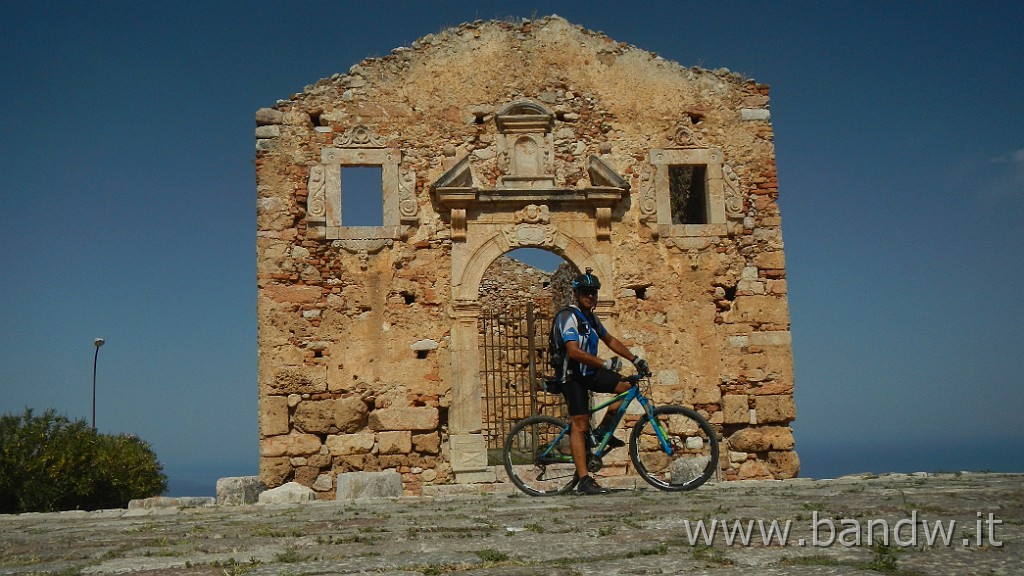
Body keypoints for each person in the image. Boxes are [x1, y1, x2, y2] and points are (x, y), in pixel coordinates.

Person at [554, 268, 650, 495]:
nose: (590, 296)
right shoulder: (569, 317)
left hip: (589, 373)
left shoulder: (591, 318)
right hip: (571, 376)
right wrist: (605, 364)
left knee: (628, 386)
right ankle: (585, 480)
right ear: (577, 294)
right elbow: (574, 352)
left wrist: (635, 359)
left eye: (594, 292)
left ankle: (602, 432)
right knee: (580, 424)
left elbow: (610, 340)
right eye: (586, 292)